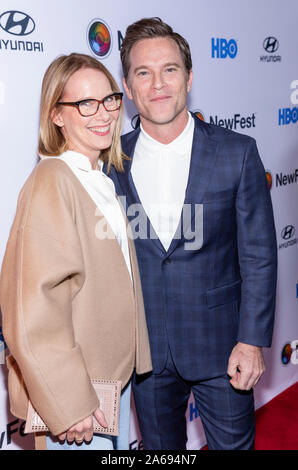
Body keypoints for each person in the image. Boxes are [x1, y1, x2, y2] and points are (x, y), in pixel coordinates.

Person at [106, 18, 277, 450]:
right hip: (145, 356)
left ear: (190, 77)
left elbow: (258, 255)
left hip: (222, 348)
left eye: (169, 70)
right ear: (128, 86)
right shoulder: (109, 163)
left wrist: (252, 341)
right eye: (143, 73)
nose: (157, 84)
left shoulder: (236, 153)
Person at [0, 52, 152, 451]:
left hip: (108, 383)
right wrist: (69, 402)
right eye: (84, 103)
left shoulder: (97, 177)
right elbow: (32, 309)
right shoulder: (52, 179)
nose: (103, 113)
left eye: (109, 99)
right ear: (56, 115)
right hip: (78, 400)